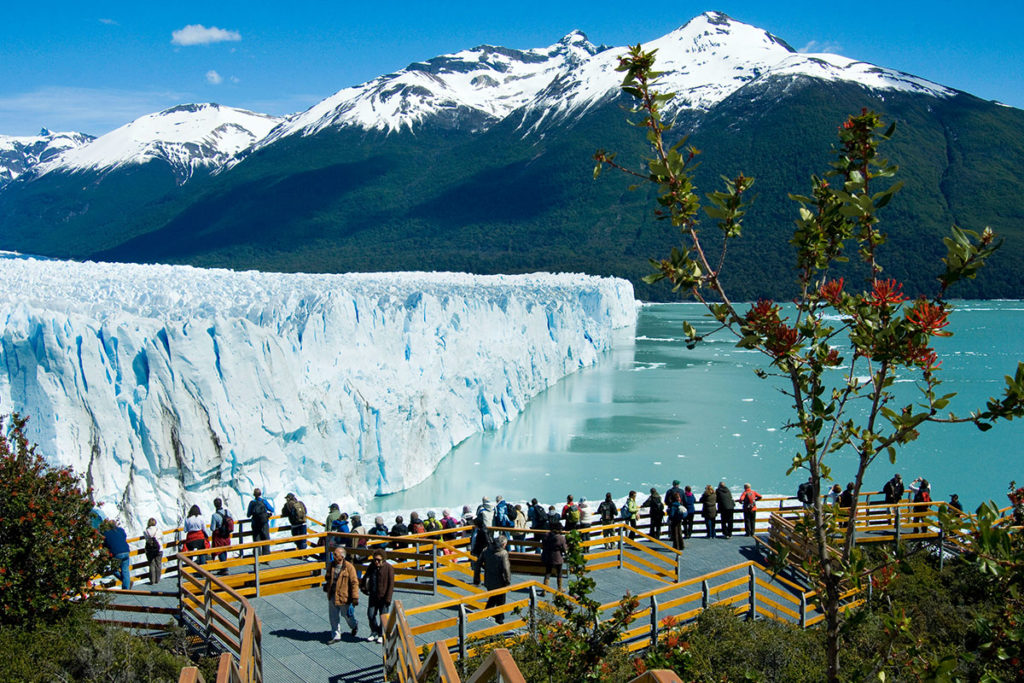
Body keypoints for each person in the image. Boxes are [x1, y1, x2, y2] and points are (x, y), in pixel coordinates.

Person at [473, 536, 512, 624]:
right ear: (503, 544)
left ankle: (493, 615)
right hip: (500, 580)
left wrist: (477, 578)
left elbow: (478, 563)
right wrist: (508, 581)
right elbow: (506, 569)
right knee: (500, 600)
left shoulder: (486, 550)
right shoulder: (503, 553)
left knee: (493, 597)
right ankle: (498, 619)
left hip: (489, 579)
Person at [360, 549, 395, 644]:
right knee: (370, 615)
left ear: (383, 559)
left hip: (383, 597)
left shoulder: (389, 568)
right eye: (375, 559)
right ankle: (374, 631)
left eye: (378, 560)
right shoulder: (372, 566)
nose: (376, 562)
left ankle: (380, 634)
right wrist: (363, 588)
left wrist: (388, 598)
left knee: (383, 617)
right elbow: (365, 577)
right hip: (373, 596)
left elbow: (391, 585)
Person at [324, 547, 359, 643]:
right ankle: (336, 635)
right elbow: (328, 577)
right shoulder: (332, 565)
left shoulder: (349, 567)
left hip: (344, 596)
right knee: (333, 616)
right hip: (332, 595)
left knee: (346, 615)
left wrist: (355, 597)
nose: (333, 556)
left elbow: (354, 583)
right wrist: (327, 585)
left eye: (336, 554)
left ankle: (354, 625)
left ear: (342, 557)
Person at [102, 519, 132, 589]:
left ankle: (126, 582)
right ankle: (126, 587)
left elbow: (105, 542)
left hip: (117, 553)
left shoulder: (106, 533)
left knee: (114, 570)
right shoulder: (121, 530)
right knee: (125, 570)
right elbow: (124, 536)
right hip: (126, 551)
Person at [541, 522, 568, 593]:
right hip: (557, 557)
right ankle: (559, 588)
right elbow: (565, 549)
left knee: (548, 572)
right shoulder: (561, 538)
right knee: (559, 572)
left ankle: (544, 589)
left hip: (547, 556)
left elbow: (543, 545)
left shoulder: (545, 535)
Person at [247, 488, 275, 555]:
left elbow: (248, 515)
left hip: (255, 524)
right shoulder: (263, 501)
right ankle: (266, 557)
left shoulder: (252, 503)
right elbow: (272, 509)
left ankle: (257, 557)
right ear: (260, 494)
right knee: (266, 539)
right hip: (264, 523)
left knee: (257, 541)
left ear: (254, 495)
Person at [210, 497, 234, 568]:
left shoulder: (214, 516)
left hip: (219, 535)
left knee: (220, 550)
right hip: (227, 534)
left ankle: (224, 568)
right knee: (225, 549)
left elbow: (212, 528)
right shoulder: (227, 512)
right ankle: (224, 566)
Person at [665, 481, 684, 549]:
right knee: (679, 530)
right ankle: (681, 544)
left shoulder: (669, 491)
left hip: (673, 512)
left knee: (674, 531)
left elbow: (666, 501)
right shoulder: (681, 491)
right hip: (680, 512)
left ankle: (676, 545)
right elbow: (685, 500)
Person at [143, 518, 162, 585]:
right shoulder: (158, 530)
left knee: (152, 564)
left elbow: (146, 538)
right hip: (159, 548)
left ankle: (152, 580)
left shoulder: (146, 531)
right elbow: (161, 536)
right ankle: (158, 579)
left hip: (149, 549)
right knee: (158, 563)